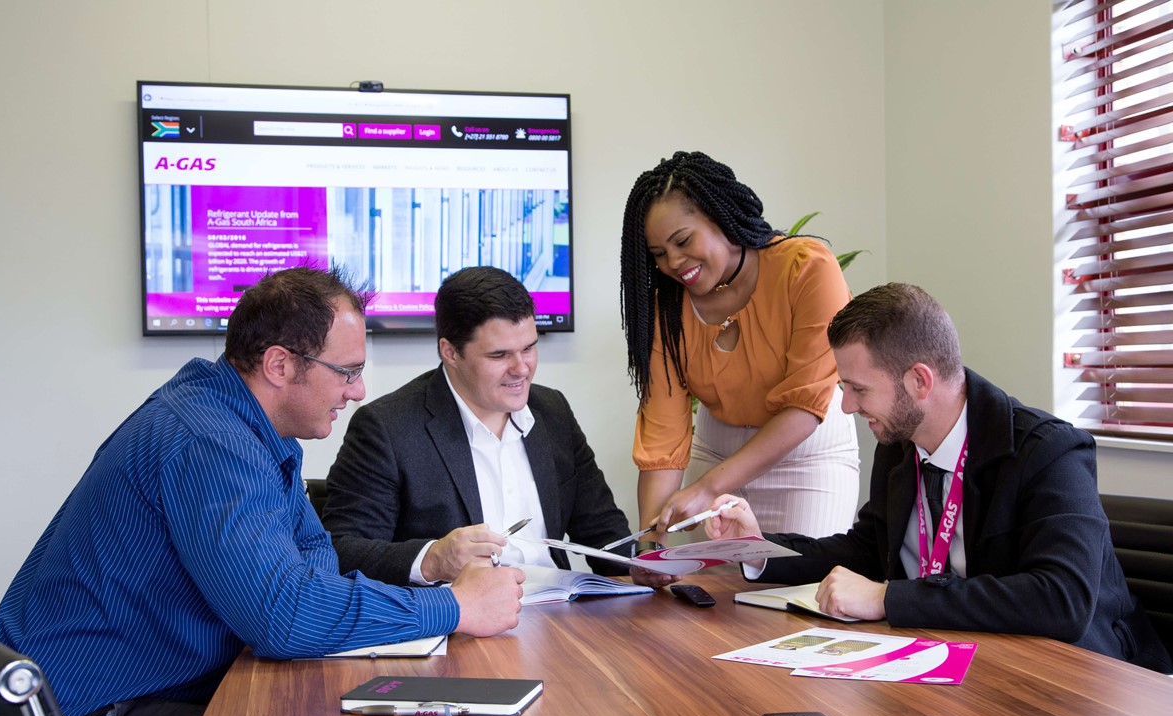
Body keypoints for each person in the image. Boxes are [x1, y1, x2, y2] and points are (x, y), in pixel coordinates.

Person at [0, 267, 526, 716]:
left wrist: (337, 609)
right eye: (347, 371)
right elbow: (286, 615)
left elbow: (312, 572)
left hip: (153, 689)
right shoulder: (207, 439)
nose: (358, 391)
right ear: (279, 365)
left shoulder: (253, 431)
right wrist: (454, 606)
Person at [705, 282, 1172, 672]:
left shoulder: (1048, 452)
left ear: (919, 381)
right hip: (960, 663)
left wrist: (891, 599)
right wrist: (757, 548)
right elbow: (867, 548)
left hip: (1076, 680)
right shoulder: (898, 444)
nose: (846, 406)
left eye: (858, 389)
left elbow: (1061, 599)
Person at [324, 265, 675, 588]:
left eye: (529, 348)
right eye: (499, 355)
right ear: (450, 352)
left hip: (560, 616)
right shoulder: (387, 427)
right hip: (456, 625)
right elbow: (342, 550)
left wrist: (642, 563)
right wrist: (432, 559)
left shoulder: (552, 411)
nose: (521, 368)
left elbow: (603, 533)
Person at [619, 150, 860, 545]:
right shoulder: (667, 310)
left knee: (799, 595)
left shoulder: (806, 268)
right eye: (659, 254)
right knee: (713, 601)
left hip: (807, 453)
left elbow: (804, 407)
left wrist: (707, 488)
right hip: (716, 450)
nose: (674, 263)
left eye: (682, 241)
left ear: (721, 215)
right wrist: (651, 541)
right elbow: (663, 435)